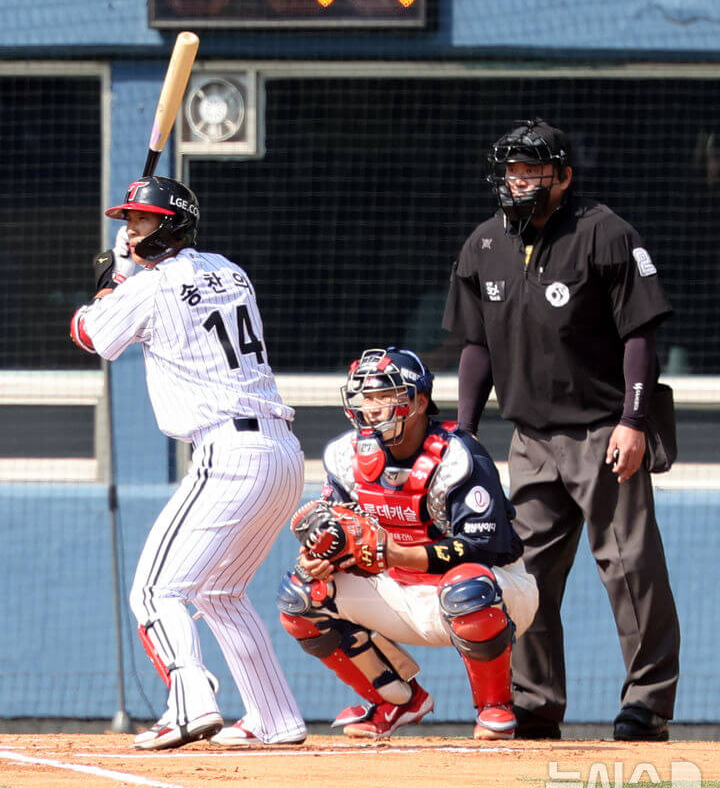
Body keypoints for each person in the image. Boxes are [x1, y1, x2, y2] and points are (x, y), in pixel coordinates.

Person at [442, 118, 681, 741]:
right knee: (523, 578)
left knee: (629, 570)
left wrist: (633, 420)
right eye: (512, 171)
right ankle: (534, 702)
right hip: (529, 440)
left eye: (533, 171)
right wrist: (464, 434)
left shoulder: (605, 233)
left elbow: (640, 337)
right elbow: (477, 348)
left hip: (604, 432)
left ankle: (647, 705)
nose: (519, 181)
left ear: (564, 177)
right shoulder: (484, 244)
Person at [70, 175, 306, 750]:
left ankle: (189, 702)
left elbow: (91, 337)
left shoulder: (149, 288)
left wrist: (108, 286)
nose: (130, 230)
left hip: (227, 451)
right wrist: (132, 277)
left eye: (142, 221)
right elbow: (174, 292)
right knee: (219, 593)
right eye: (128, 221)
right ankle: (275, 717)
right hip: (282, 454)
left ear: (171, 224)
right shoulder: (230, 269)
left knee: (154, 592)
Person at [276, 347, 539, 739]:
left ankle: (494, 707)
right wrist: (321, 558)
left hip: (494, 591)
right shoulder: (346, 456)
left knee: (467, 586)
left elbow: (482, 548)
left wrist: (396, 553)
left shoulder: (458, 456)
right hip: (398, 589)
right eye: (367, 398)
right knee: (299, 596)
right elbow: (336, 527)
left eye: (386, 396)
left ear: (419, 401)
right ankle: (396, 700)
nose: (373, 408)